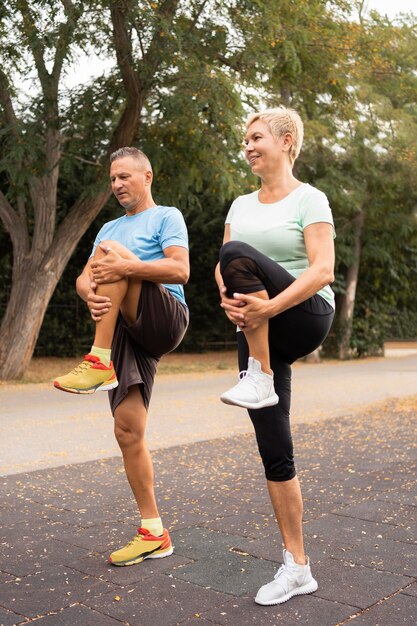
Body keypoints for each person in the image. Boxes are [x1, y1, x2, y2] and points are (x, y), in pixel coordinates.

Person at [215, 106, 335, 605]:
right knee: (275, 450)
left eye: (256, 136)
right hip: (258, 324)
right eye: (245, 139)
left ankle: (259, 374)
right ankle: (297, 567)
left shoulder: (311, 199)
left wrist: (266, 308)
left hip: (304, 312)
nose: (248, 145)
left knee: (237, 253)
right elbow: (223, 272)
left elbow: (323, 269)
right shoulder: (240, 204)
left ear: (286, 141)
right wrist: (231, 304)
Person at [54, 147, 189, 566]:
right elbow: (82, 277)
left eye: (125, 177)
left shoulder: (167, 216)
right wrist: (89, 294)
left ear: (147, 176)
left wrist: (124, 269)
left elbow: (180, 271)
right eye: (113, 179)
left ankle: (97, 359)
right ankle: (153, 532)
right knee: (127, 430)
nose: (117, 185)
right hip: (126, 330)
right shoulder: (108, 226)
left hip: (164, 316)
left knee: (114, 257)